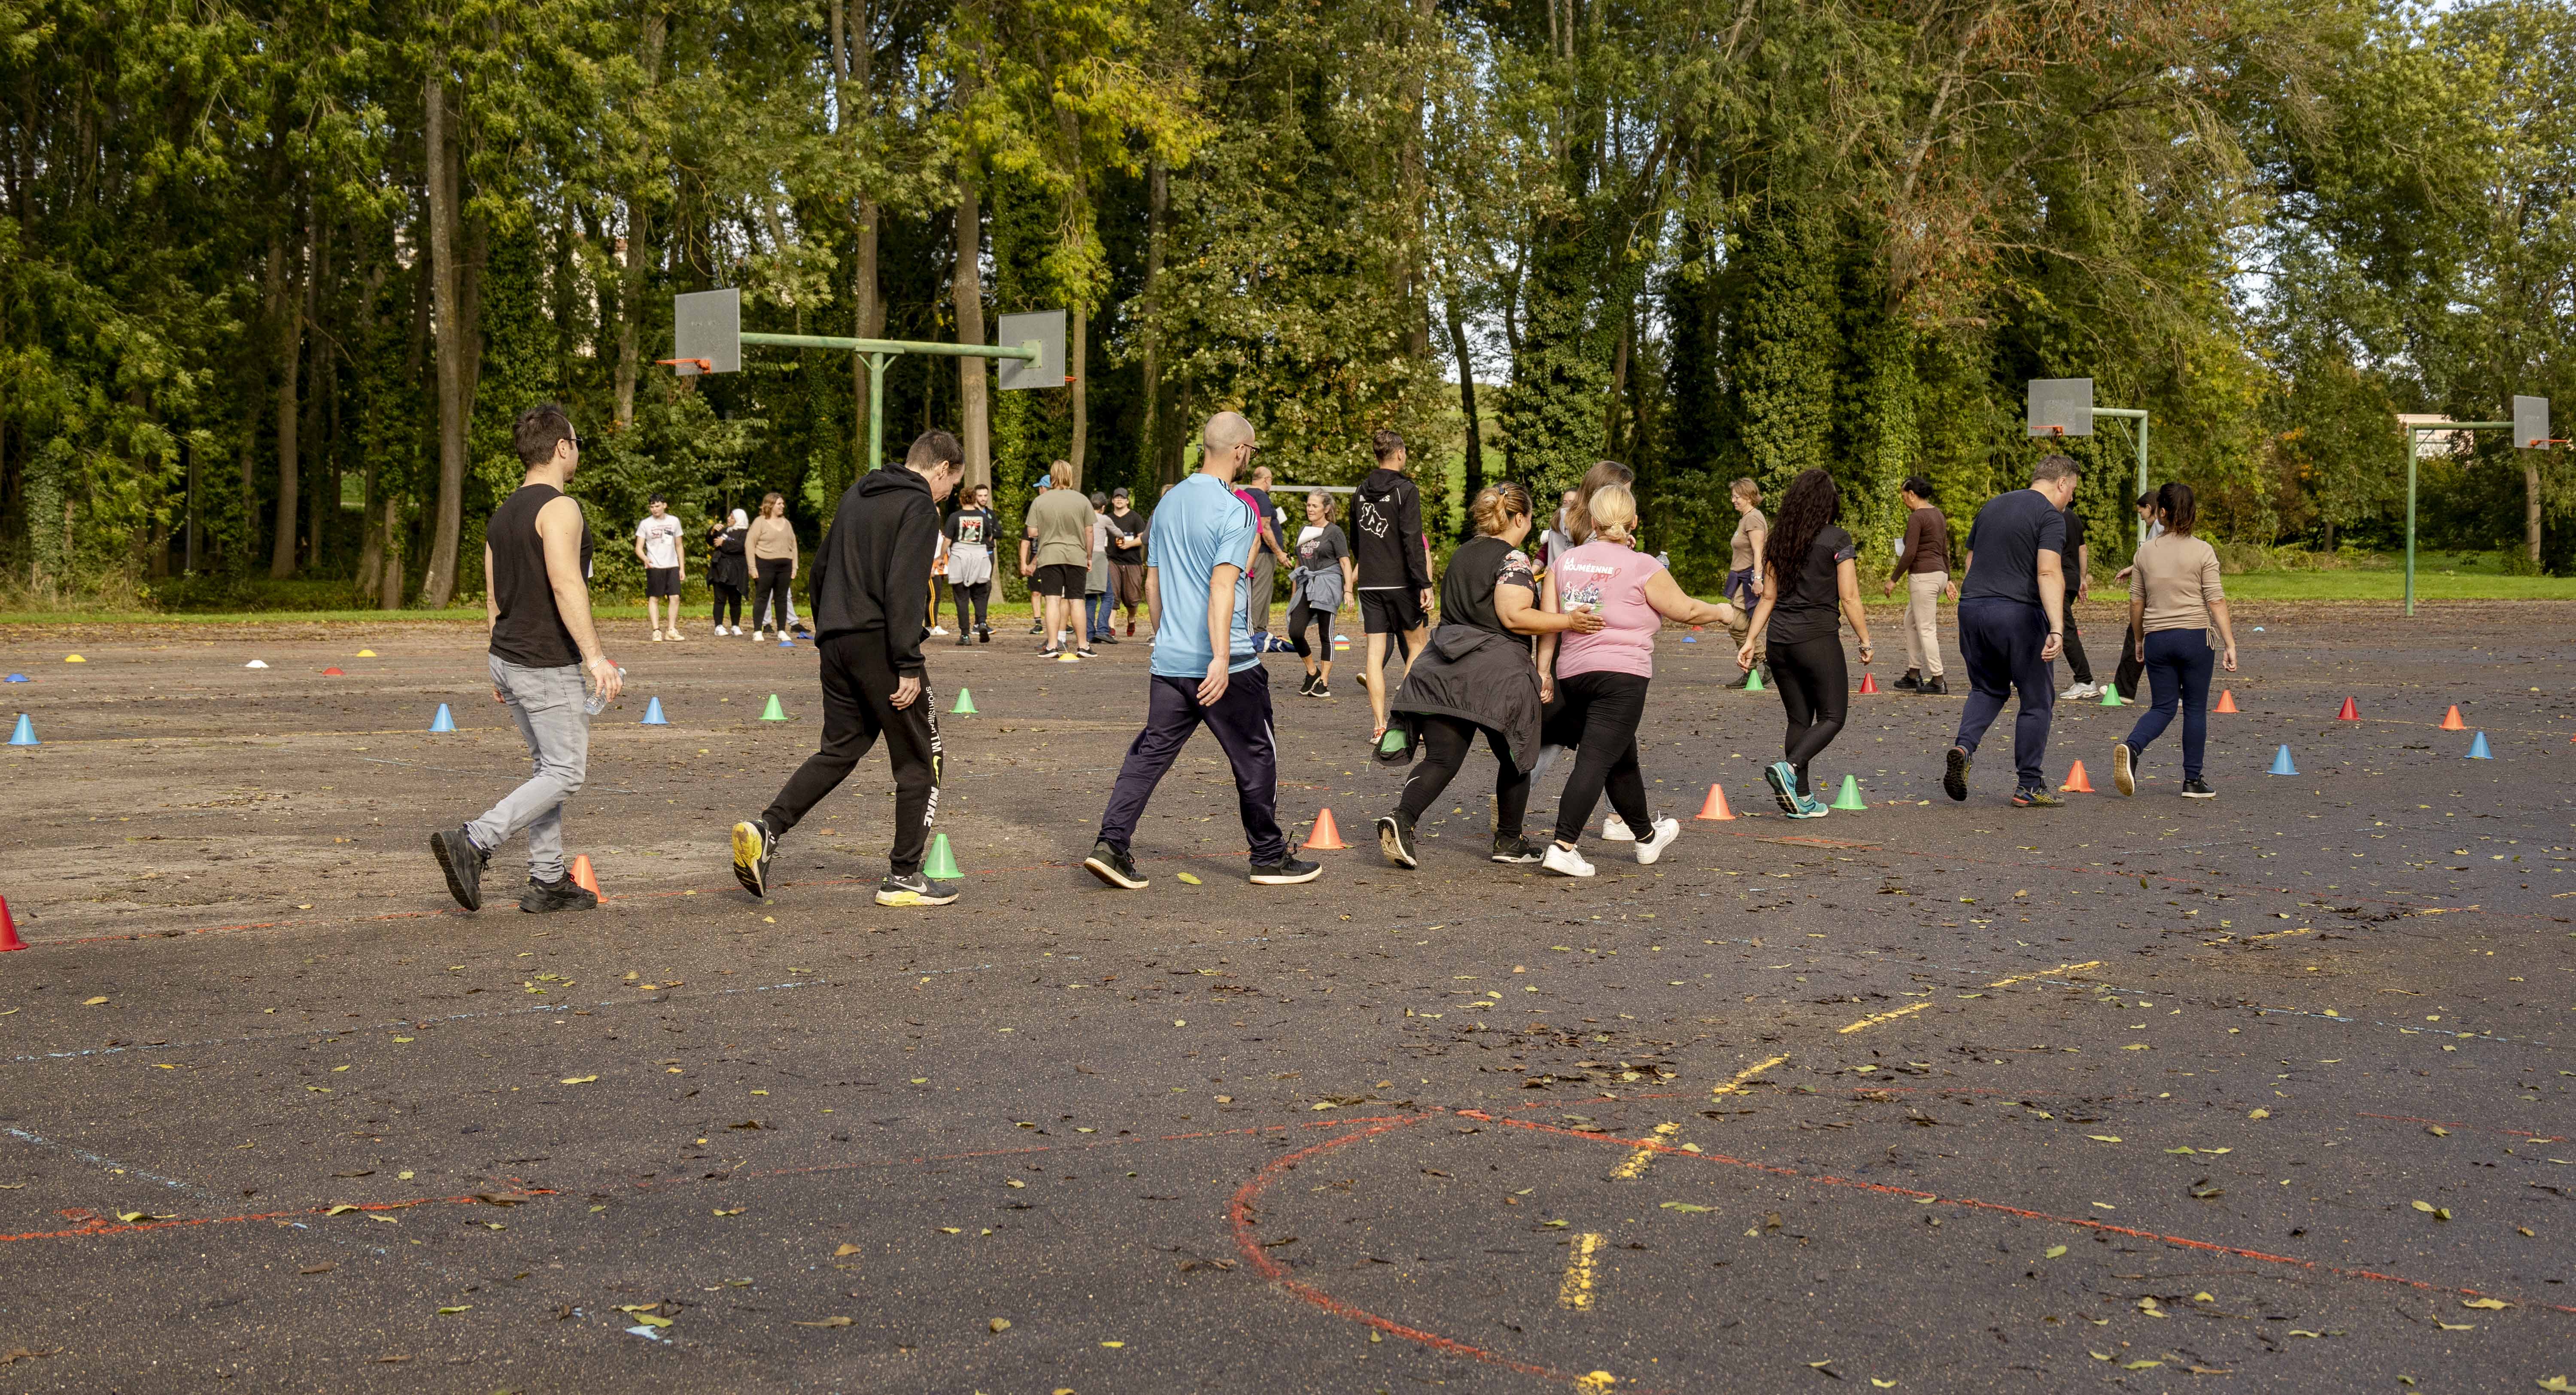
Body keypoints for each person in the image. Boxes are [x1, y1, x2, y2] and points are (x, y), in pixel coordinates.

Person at [1083, 412, 1321, 890]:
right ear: (1239, 452)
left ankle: (1112, 845)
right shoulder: (1237, 510)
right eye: (1252, 453)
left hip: (1170, 662)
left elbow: (1152, 581)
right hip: (1226, 663)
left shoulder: (1167, 505)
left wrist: (1166, 635)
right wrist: (1217, 657)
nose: (1250, 459)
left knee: (1148, 755)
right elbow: (1222, 586)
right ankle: (1269, 858)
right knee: (1256, 756)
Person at [730, 430, 963, 907]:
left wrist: (829, 627)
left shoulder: (857, 493)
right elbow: (905, 586)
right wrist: (908, 661)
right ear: (941, 470)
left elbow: (819, 569)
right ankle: (904, 876)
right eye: (951, 485)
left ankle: (766, 829)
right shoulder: (920, 507)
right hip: (881, 642)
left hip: (835, 639)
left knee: (840, 749)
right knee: (923, 759)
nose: (948, 495)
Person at [431, 403, 620, 915]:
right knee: (566, 772)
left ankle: (547, 879)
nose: (577, 452)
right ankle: (474, 840)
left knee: (546, 768)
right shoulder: (560, 508)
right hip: (542, 660)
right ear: (563, 448)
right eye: (576, 443)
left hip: (510, 657)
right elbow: (566, 582)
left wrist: (499, 659)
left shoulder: (502, 513)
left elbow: (494, 598)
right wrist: (596, 657)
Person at [1376, 483, 1602, 869]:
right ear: (1519, 518)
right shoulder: (1513, 558)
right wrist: (1569, 620)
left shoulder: (1463, 553)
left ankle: (1402, 819)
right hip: (1494, 673)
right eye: (1529, 517)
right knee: (1518, 756)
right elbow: (1513, 615)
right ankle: (1509, 841)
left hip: (1443, 666)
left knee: (1443, 758)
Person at [1539, 483, 1731, 876]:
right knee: (1595, 760)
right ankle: (1563, 845)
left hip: (1574, 673)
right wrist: (1722, 612)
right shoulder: (1643, 564)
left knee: (1621, 758)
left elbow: (1549, 626)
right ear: (1633, 522)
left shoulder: (1565, 563)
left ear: (1592, 521)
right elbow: (1684, 608)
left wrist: (1544, 670)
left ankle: (1646, 837)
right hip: (1622, 675)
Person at [1737, 469, 1876, 817]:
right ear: (1828, 504)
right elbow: (1850, 596)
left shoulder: (1779, 540)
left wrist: (1751, 639)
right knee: (1833, 716)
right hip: (1816, 639)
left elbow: (1767, 597)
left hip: (1780, 641)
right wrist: (1865, 639)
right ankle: (1791, 766)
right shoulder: (1837, 539)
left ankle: (1801, 800)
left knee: (1799, 719)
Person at [1944, 454, 2077, 807]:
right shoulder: (2050, 516)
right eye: (2073, 491)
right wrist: (2058, 628)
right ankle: (2029, 785)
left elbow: (1971, 561)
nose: (2072, 500)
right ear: (2061, 483)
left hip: (1972, 609)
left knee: (1987, 687)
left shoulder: (1992, 506)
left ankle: (1964, 747)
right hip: (2017, 613)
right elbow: (2048, 572)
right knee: (2037, 698)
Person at [2111, 483, 2237, 799]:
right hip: (2196, 638)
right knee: (2195, 708)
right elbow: (2216, 600)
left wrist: (2139, 640)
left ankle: (2133, 746)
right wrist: (2230, 643)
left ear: (2162, 513)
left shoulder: (2144, 552)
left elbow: (2136, 603)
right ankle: (2193, 780)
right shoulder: (2203, 550)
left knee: (2163, 706)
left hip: (2158, 638)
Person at [1353, 430, 1432, 747]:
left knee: (1374, 654)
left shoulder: (1359, 491)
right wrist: (1424, 582)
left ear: (1377, 456)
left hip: (1370, 582)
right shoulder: (1406, 490)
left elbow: (1356, 539)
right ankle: (1405, 720)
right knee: (1418, 647)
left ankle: (1379, 725)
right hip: (1400, 582)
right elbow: (1412, 540)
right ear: (1399, 454)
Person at [1883, 475, 1953, 694]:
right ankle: (1914, 674)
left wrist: (1893, 579)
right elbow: (1944, 550)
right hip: (1938, 574)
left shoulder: (1917, 517)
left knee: (1926, 628)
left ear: (1912, 495)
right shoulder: (1938, 514)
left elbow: (1910, 552)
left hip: (1923, 577)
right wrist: (1948, 578)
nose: (1904, 501)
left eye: (1904, 497)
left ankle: (1938, 679)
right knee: (1910, 621)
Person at [1285, 489, 1356, 697]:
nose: (1310, 509)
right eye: (1308, 505)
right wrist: (1295, 593)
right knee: (1295, 631)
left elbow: (1345, 562)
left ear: (1326, 509)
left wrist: (1348, 590)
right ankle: (1312, 671)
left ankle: (1324, 681)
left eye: (1315, 506)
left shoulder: (1334, 532)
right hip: (1307, 585)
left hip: (1328, 585)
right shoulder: (1303, 531)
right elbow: (1299, 564)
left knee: (1326, 634)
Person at [1023, 460, 1094, 658]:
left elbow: (1032, 532)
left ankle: (1053, 646)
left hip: (1050, 555)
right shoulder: (1082, 500)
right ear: (1070, 476)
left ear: (1052, 476)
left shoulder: (1041, 501)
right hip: (1076, 554)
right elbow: (1089, 532)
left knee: (1052, 600)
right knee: (1077, 601)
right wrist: (1088, 556)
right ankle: (1083, 646)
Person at [2108, 491, 2162, 701]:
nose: (2142, 518)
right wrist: (2133, 567)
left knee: (2136, 636)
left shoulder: (2159, 526)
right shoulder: (2171, 527)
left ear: (2150, 508)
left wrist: (2136, 569)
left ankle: (2124, 690)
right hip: (2164, 594)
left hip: (2151, 595)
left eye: (2142, 513)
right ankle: (2125, 689)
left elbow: (2152, 556)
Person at [2054, 489, 2102, 700]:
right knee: (2040, 624)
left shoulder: (2050, 515)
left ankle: (2085, 680)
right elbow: (2083, 550)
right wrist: (2082, 580)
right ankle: (2022, 674)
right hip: (2072, 579)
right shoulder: (2073, 517)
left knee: (2065, 629)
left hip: (2057, 579)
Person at [1722, 479, 1768, 688]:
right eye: (1733, 496)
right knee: (1740, 625)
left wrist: (1758, 580)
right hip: (1741, 578)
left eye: (1737, 497)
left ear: (1749, 496)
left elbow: (1759, 551)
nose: (1733, 500)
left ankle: (1764, 663)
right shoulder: (1746, 519)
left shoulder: (1753, 519)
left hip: (1750, 580)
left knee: (1737, 624)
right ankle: (1756, 667)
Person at [1241, 464, 1290, 651]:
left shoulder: (1246, 494)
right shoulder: (1261, 496)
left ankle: (1258, 629)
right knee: (1260, 592)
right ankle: (1254, 632)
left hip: (1254, 552)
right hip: (1262, 553)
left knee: (1260, 591)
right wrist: (1279, 553)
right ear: (1267, 480)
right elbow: (1265, 526)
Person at [943, 483, 998, 645]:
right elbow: (989, 536)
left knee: (961, 597)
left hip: (960, 556)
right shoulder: (982, 517)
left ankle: (965, 635)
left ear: (961, 500)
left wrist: (940, 556)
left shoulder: (954, 517)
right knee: (980, 593)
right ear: (974, 499)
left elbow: (947, 539)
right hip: (980, 556)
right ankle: (981, 622)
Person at [745, 492, 798, 640]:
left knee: (782, 598)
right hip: (765, 564)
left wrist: (795, 567)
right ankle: (757, 631)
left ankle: (782, 630)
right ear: (770, 505)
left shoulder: (787, 523)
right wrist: (752, 567)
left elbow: (794, 545)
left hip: (785, 565)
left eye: (783, 504)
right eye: (779, 504)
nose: (783, 506)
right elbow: (750, 544)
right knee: (762, 597)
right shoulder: (760, 522)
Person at [635, 494, 688, 641]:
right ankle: (656, 630)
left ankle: (671, 630)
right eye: (652, 507)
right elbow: (638, 548)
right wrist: (646, 559)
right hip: (655, 565)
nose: (654, 509)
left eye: (657, 506)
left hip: (672, 565)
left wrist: (681, 568)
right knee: (654, 597)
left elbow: (679, 545)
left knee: (675, 597)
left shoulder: (674, 521)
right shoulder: (646, 524)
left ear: (665, 505)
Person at [1106, 487, 1147, 636]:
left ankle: (1131, 619)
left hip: (1132, 562)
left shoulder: (1135, 518)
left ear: (1127, 501)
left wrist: (1128, 545)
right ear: (1112, 501)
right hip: (1113, 561)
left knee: (1132, 598)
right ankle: (1111, 628)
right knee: (1112, 594)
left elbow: (1142, 538)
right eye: (1116, 497)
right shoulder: (1108, 518)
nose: (1119, 500)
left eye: (1122, 498)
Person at [706, 508, 749, 635]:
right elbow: (711, 541)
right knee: (720, 598)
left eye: (732, 517)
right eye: (729, 517)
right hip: (720, 569)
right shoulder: (724, 531)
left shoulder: (745, 533)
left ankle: (735, 625)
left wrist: (724, 543)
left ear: (739, 519)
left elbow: (741, 547)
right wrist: (712, 530)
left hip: (737, 570)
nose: (728, 519)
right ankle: (718, 626)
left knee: (736, 599)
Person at [1084, 490, 1118, 644]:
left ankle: (1089, 633)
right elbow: (1119, 533)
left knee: (1090, 598)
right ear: (1104, 507)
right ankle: (1103, 630)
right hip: (1099, 558)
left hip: (1085, 557)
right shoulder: (1104, 519)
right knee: (1108, 596)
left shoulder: (1084, 518)